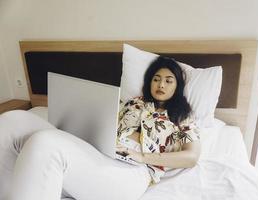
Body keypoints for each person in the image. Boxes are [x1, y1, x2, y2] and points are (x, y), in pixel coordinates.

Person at [0, 56, 201, 200]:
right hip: (100, 151)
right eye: (156, 79)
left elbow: (191, 158)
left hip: (133, 170)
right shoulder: (133, 103)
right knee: (12, 120)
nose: (161, 84)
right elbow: (103, 122)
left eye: (168, 80)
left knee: (45, 143)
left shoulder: (182, 115)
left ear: (178, 86)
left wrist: (142, 157)